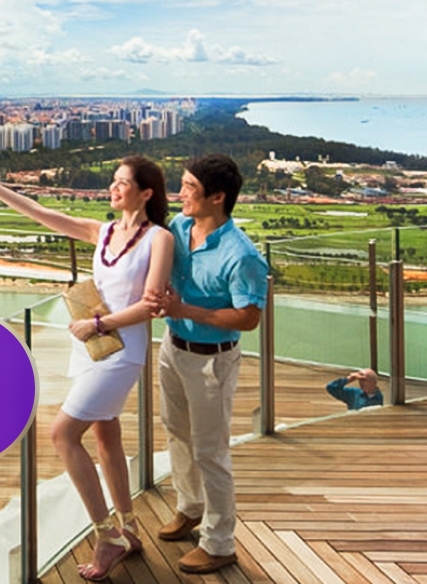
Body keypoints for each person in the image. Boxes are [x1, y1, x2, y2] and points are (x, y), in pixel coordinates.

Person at [0, 154, 173, 581]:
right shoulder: (104, 232)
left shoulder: (159, 240)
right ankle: (129, 527)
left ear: (146, 192)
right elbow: (41, 213)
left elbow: (151, 305)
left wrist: (97, 323)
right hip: (91, 348)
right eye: (112, 181)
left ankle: (106, 534)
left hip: (122, 350)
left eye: (121, 183)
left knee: (61, 432)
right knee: (105, 435)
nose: (112, 188)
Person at [146, 153, 269, 575]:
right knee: (176, 433)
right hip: (172, 348)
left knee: (211, 451)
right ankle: (190, 507)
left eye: (191, 189)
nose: (181, 194)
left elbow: (248, 319)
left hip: (211, 363)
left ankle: (220, 542)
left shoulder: (242, 255)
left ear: (218, 197)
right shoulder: (180, 227)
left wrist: (187, 309)